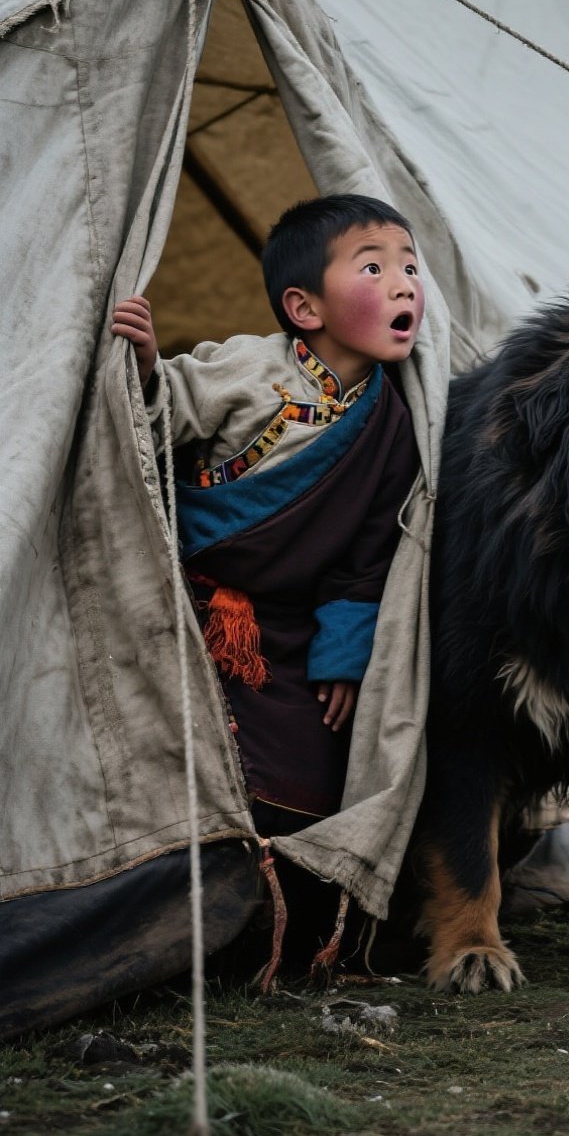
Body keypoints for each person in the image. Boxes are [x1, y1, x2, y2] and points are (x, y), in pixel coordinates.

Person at [111, 195, 423, 879]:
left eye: (410, 267)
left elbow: (367, 557)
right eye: (374, 268)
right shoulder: (247, 367)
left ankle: (269, 872)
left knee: (307, 764)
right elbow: (160, 415)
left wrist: (342, 657)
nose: (405, 284)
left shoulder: (398, 421)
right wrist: (140, 367)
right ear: (306, 309)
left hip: (288, 628)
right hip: (189, 596)